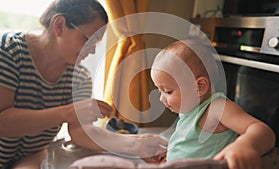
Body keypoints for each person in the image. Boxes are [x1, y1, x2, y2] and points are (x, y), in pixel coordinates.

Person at [0, 0, 167, 168]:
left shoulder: (79, 77)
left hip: (31, 156)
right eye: (87, 39)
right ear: (59, 25)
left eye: (95, 44)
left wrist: (137, 144)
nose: (92, 50)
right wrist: (69, 112)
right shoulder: (10, 51)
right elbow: (3, 123)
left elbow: (81, 132)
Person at [150, 39, 276, 169]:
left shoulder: (217, 108)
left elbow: (262, 130)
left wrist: (246, 144)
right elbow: (191, 144)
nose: (161, 99)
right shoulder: (190, 110)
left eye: (168, 91)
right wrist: (172, 153)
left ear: (200, 87)